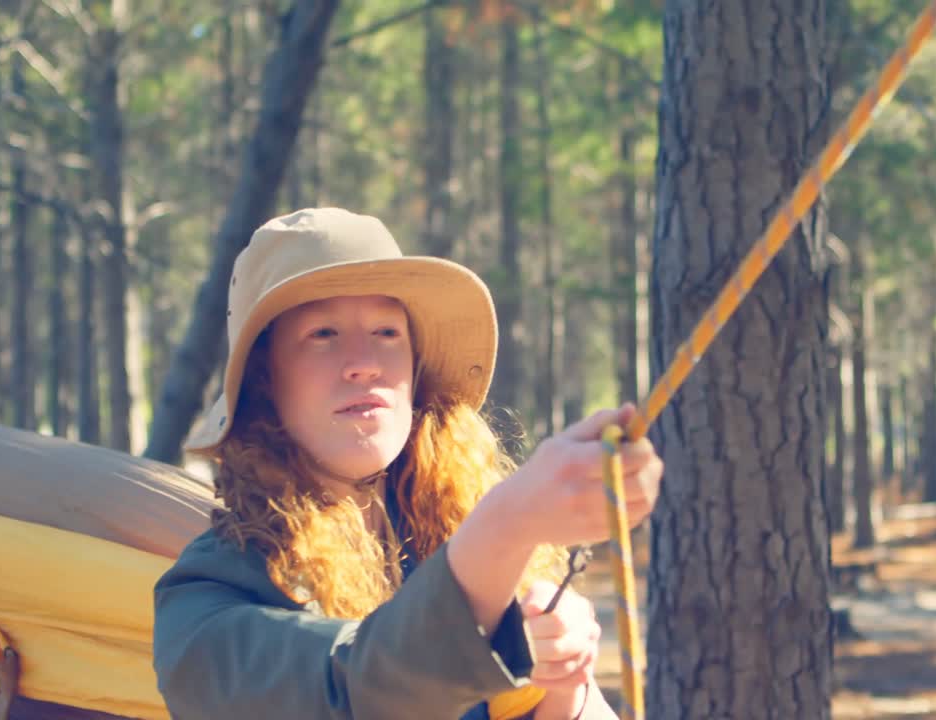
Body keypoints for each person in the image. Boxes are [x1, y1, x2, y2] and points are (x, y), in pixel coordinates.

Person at [152, 208, 664, 720]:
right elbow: (362, 691)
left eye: (386, 332)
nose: (364, 361)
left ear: (415, 370)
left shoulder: (448, 532)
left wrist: (563, 688)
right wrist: (510, 522)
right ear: (264, 382)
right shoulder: (204, 601)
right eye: (323, 334)